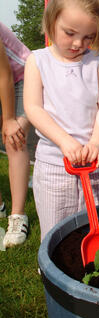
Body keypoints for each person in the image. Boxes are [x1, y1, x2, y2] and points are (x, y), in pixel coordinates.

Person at [24, 0, 99, 241]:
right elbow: (33, 108)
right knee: (56, 230)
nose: (78, 44)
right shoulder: (38, 61)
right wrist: (65, 142)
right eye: (70, 33)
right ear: (51, 20)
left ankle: (90, 274)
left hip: (94, 162)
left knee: (94, 223)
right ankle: (56, 277)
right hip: (54, 163)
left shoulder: (97, 61)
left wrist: (96, 143)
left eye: (88, 37)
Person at [0, 22, 31, 247]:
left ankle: (18, 216)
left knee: (14, 140)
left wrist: (9, 119)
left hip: (24, 77)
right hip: (5, 79)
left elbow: (5, 76)